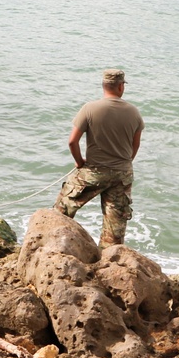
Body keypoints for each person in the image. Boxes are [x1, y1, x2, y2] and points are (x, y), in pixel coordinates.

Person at [53, 68, 144, 248]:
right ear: (121, 87)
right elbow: (135, 145)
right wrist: (125, 163)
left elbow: (72, 142)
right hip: (122, 174)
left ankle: (57, 247)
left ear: (104, 86)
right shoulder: (134, 112)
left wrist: (79, 162)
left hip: (94, 171)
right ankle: (109, 260)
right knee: (115, 228)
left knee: (61, 210)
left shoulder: (89, 109)